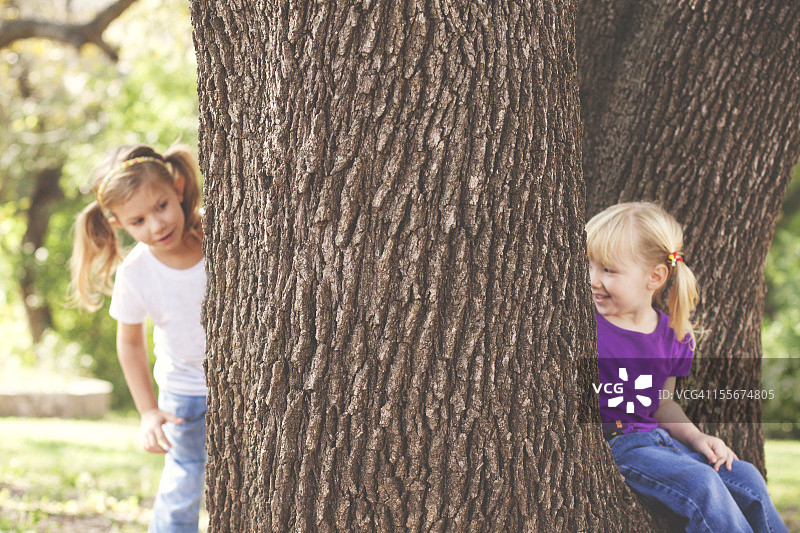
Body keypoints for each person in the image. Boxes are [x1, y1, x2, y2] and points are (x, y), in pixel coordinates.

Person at [587, 202, 787, 533]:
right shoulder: (587, 327)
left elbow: (663, 404)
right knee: (701, 482)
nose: (593, 279)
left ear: (655, 277)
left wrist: (697, 438)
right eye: (589, 265)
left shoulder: (672, 335)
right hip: (620, 446)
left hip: (660, 441)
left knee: (746, 476)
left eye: (608, 270)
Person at [71, 144, 206, 533]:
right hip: (184, 396)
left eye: (161, 206)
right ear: (118, 224)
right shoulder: (136, 273)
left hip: (249, 386)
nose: (156, 225)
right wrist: (148, 411)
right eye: (138, 220)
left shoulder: (218, 235)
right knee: (182, 485)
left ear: (178, 188)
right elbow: (129, 343)